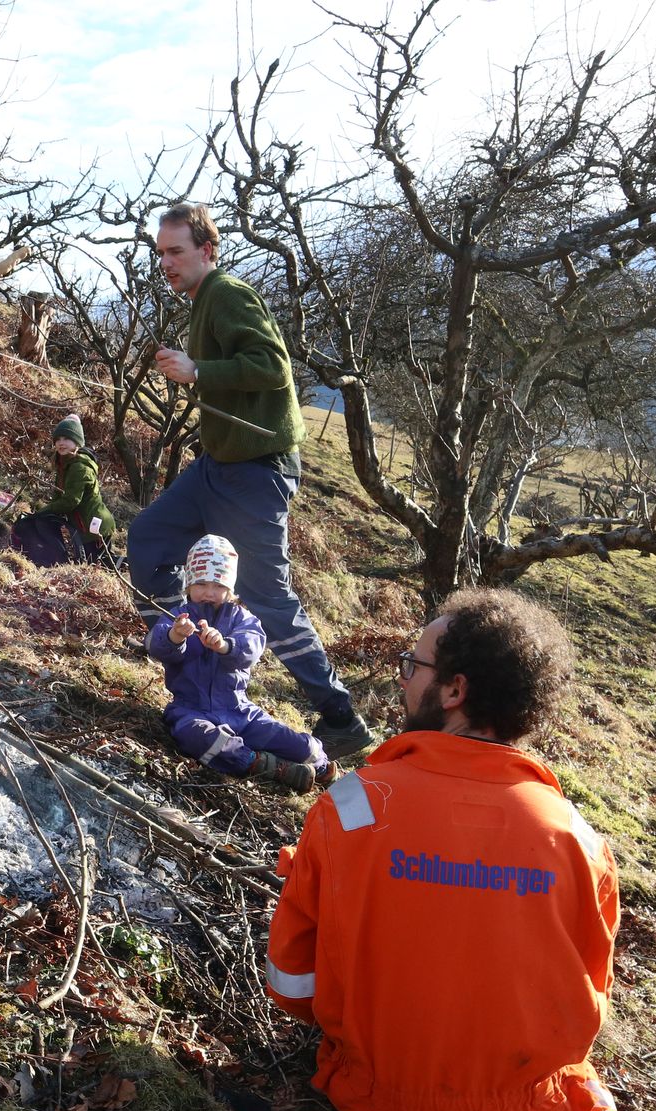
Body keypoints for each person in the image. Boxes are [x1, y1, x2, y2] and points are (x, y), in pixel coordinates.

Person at [265, 589, 656, 1111]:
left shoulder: (353, 804)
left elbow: (290, 986)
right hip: (514, 1109)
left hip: (369, 1094)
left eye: (413, 665)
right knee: (574, 1086)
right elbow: (582, 1012)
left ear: (455, 689)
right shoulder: (578, 839)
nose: (404, 678)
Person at [128, 202, 375, 761]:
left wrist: (199, 372)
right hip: (218, 466)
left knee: (267, 595)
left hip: (256, 472)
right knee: (148, 538)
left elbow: (272, 365)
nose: (166, 262)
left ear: (207, 251)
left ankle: (340, 717)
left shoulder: (228, 293)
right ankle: (182, 649)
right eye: (161, 252)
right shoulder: (200, 302)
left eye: (177, 252)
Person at [146, 535, 329, 793]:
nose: (208, 592)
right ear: (188, 585)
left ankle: (322, 767)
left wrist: (224, 645)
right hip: (191, 708)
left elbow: (252, 647)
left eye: (217, 585)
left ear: (229, 588)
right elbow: (155, 643)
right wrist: (176, 636)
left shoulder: (243, 619)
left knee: (296, 743)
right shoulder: (180, 617)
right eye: (200, 583)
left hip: (240, 711)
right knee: (194, 736)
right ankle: (261, 764)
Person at [8, 413, 114, 568]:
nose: (61, 443)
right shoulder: (63, 463)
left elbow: (70, 501)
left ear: (77, 442)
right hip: (83, 526)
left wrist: (43, 512)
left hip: (94, 528)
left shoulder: (79, 467)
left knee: (99, 567)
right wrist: (45, 512)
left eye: (66, 439)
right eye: (58, 439)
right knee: (92, 566)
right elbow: (58, 496)